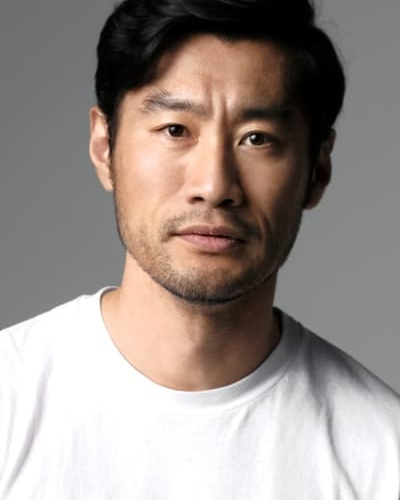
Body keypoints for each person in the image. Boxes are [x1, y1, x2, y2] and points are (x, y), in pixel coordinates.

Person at [1, 0, 399, 498]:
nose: (213, 186)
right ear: (105, 148)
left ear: (317, 171)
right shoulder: (10, 401)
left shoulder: (382, 456)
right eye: (175, 130)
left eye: (257, 139)